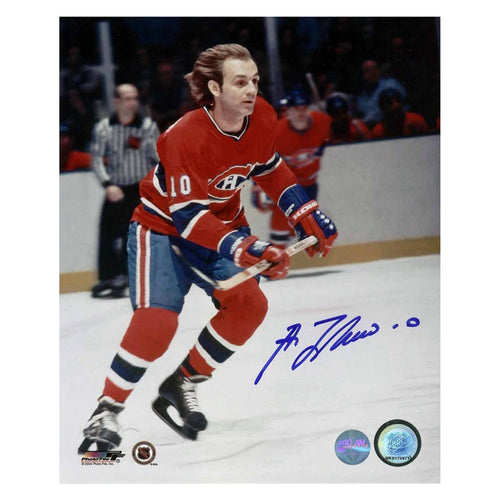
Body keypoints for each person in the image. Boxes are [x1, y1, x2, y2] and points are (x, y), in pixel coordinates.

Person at [79, 44, 338, 452]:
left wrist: (303, 209)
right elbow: (188, 217)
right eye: (240, 82)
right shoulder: (183, 136)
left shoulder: (261, 116)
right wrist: (247, 247)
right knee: (157, 322)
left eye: (255, 81)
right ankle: (106, 409)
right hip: (162, 229)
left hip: (222, 227)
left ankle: (182, 383)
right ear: (214, 89)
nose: (252, 90)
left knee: (249, 305)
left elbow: (269, 167)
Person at [90, 84, 160, 298]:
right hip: (115, 187)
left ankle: (126, 275)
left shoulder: (147, 127)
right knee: (107, 232)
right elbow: (96, 159)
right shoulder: (104, 128)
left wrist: (154, 186)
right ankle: (107, 276)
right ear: (116, 101)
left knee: (133, 234)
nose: (132, 103)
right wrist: (107, 184)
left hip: (139, 189)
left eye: (135, 98)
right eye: (128, 99)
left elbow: (157, 158)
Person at [252, 89, 332, 247]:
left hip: (310, 184)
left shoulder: (323, 122)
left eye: (304, 108)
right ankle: (275, 253)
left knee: (300, 228)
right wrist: (257, 186)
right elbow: (259, 158)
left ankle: (281, 248)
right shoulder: (277, 132)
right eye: (296, 109)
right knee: (281, 221)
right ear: (288, 111)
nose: (301, 113)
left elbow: (329, 138)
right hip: (286, 186)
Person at [355, 59, 407, 129]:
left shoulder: (390, 85)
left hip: (393, 124)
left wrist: (364, 122)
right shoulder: (363, 93)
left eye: (371, 70)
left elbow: (395, 108)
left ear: (378, 71)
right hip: (369, 128)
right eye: (365, 72)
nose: (367, 75)